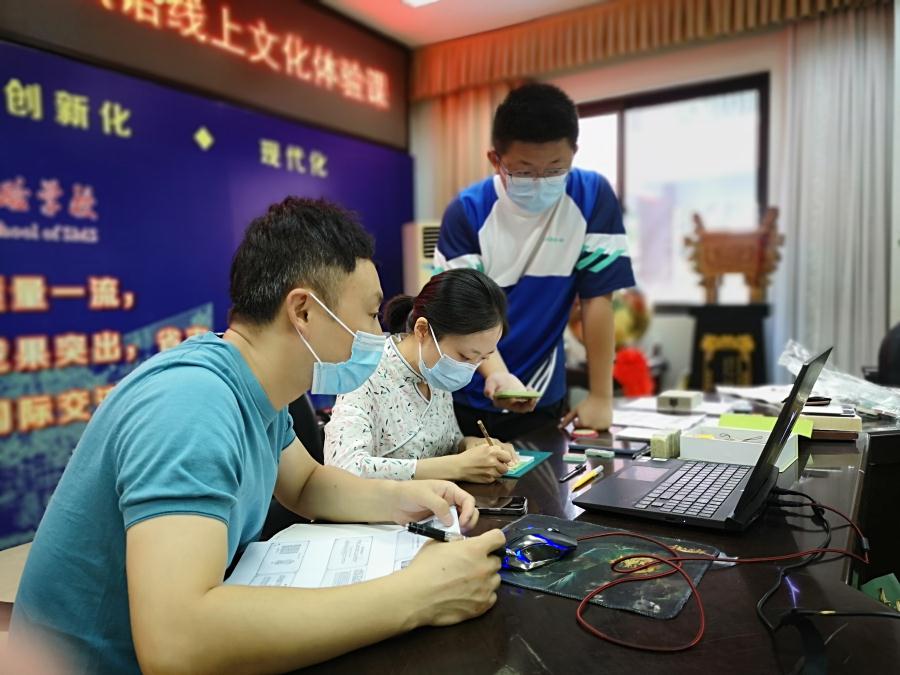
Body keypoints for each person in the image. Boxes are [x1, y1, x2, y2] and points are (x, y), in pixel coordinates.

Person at [11, 197, 505, 674]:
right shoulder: (194, 402)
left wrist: (405, 499)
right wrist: (419, 595)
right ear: (304, 311)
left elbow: (306, 484)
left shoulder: (257, 388)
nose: (379, 334)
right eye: (371, 314)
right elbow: (176, 644)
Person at [434, 82, 636, 440]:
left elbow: (598, 300)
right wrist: (498, 374)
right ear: (496, 160)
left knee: (546, 475)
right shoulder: (467, 211)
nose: (541, 182)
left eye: (555, 169)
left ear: (574, 154)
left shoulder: (592, 196)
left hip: (541, 395)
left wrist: (601, 395)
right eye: (525, 172)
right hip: (466, 389)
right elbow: (464, 312)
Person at [325, 268, 518, 483]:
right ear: (423, 330)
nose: (470, 369)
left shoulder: (434, 373)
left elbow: (447, 443)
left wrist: (471, 445)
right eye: (465, 356)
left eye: (483, 358)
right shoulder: (366, 374)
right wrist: (457, 466)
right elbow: (343, 468)